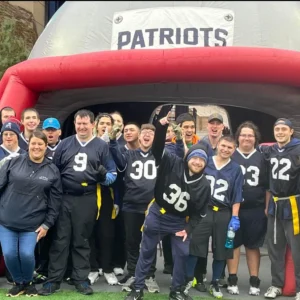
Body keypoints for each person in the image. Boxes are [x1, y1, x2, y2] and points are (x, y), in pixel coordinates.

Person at [125, 112, 211, 300]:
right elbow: (156, 150)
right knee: (146, 252)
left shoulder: (204, 185)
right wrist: (161, 126)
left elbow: (200, 212)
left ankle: (177, 290)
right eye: (195, 157)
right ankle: (137, 288)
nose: (197, 161)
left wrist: (188, 228)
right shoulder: (173, 162)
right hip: (158, 213)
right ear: (189, 157)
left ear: (205, 164)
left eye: (202, 160)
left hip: (179, 221)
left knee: (182, 255)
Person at [38, 109, 117, 296]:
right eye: (78, 123)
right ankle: (53, 280)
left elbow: (112, 175)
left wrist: (102, 177)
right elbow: (53, 172)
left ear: (92, 125)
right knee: (60, 239)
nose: (82, 127)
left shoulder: (101, 146)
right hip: (64, 197)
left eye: (85, 123)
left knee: (82, 239)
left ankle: (80, 279)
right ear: (75, 124)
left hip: (87, 197)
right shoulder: (64, 144)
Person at [0, 130, 62, 297]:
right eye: (33, 143)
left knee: (27, 255)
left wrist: (47, 224)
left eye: (40, 144)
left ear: (45, 146)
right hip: (7, 220)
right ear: (28, 144)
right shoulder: (13, 163)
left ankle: (27, 283)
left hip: (33, 224)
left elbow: (55, 202)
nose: (36, 147)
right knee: (9, 254)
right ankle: (19, 283)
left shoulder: (52, 170)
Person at [186, 135, 244, 299]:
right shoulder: (206, 161)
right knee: (196, 245)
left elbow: (237, 195)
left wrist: (235, 217)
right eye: (223, 145)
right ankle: (188, 279)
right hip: (204, 209)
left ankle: (215, 282)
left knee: (222, 249)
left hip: (224, 212)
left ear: (234, 150)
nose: (225, 149)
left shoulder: (236, 168)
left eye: (230, 147)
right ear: (218, 145)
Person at [109, 123, 160, 293]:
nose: (147, 136)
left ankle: (150, 275)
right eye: (144, 132)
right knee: (131, 241)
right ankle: (132, 273)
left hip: (152, 206)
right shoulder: (129, 154)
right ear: (139, 136)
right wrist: (112, 140)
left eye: (151, 133)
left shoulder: (159, 156)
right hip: (131, 204)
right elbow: (116, 157)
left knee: (150, 241)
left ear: (155, 138)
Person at [226, 121, 269, 296]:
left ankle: (254, 280)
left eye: (250, 135)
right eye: (243, 135)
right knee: (233, 244)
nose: (246, 138)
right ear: (238, 138)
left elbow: (267, 186)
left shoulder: (262, 158)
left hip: (255, 209)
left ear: (255, 138)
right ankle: (232, 279)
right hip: (233, 210)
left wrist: (266, 208)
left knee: (253, 246)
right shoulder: (230, 155)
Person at [259, 118, 300, 300]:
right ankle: (276, 284)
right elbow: (255, 146)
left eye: (284, 129)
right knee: (275, 248)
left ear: (291, 131)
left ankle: (299, 288)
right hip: (275, 205)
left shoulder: (298, 149)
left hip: (294, 204)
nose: (280, 132)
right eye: (277, 129)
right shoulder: (271, 150)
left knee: (297, 250)